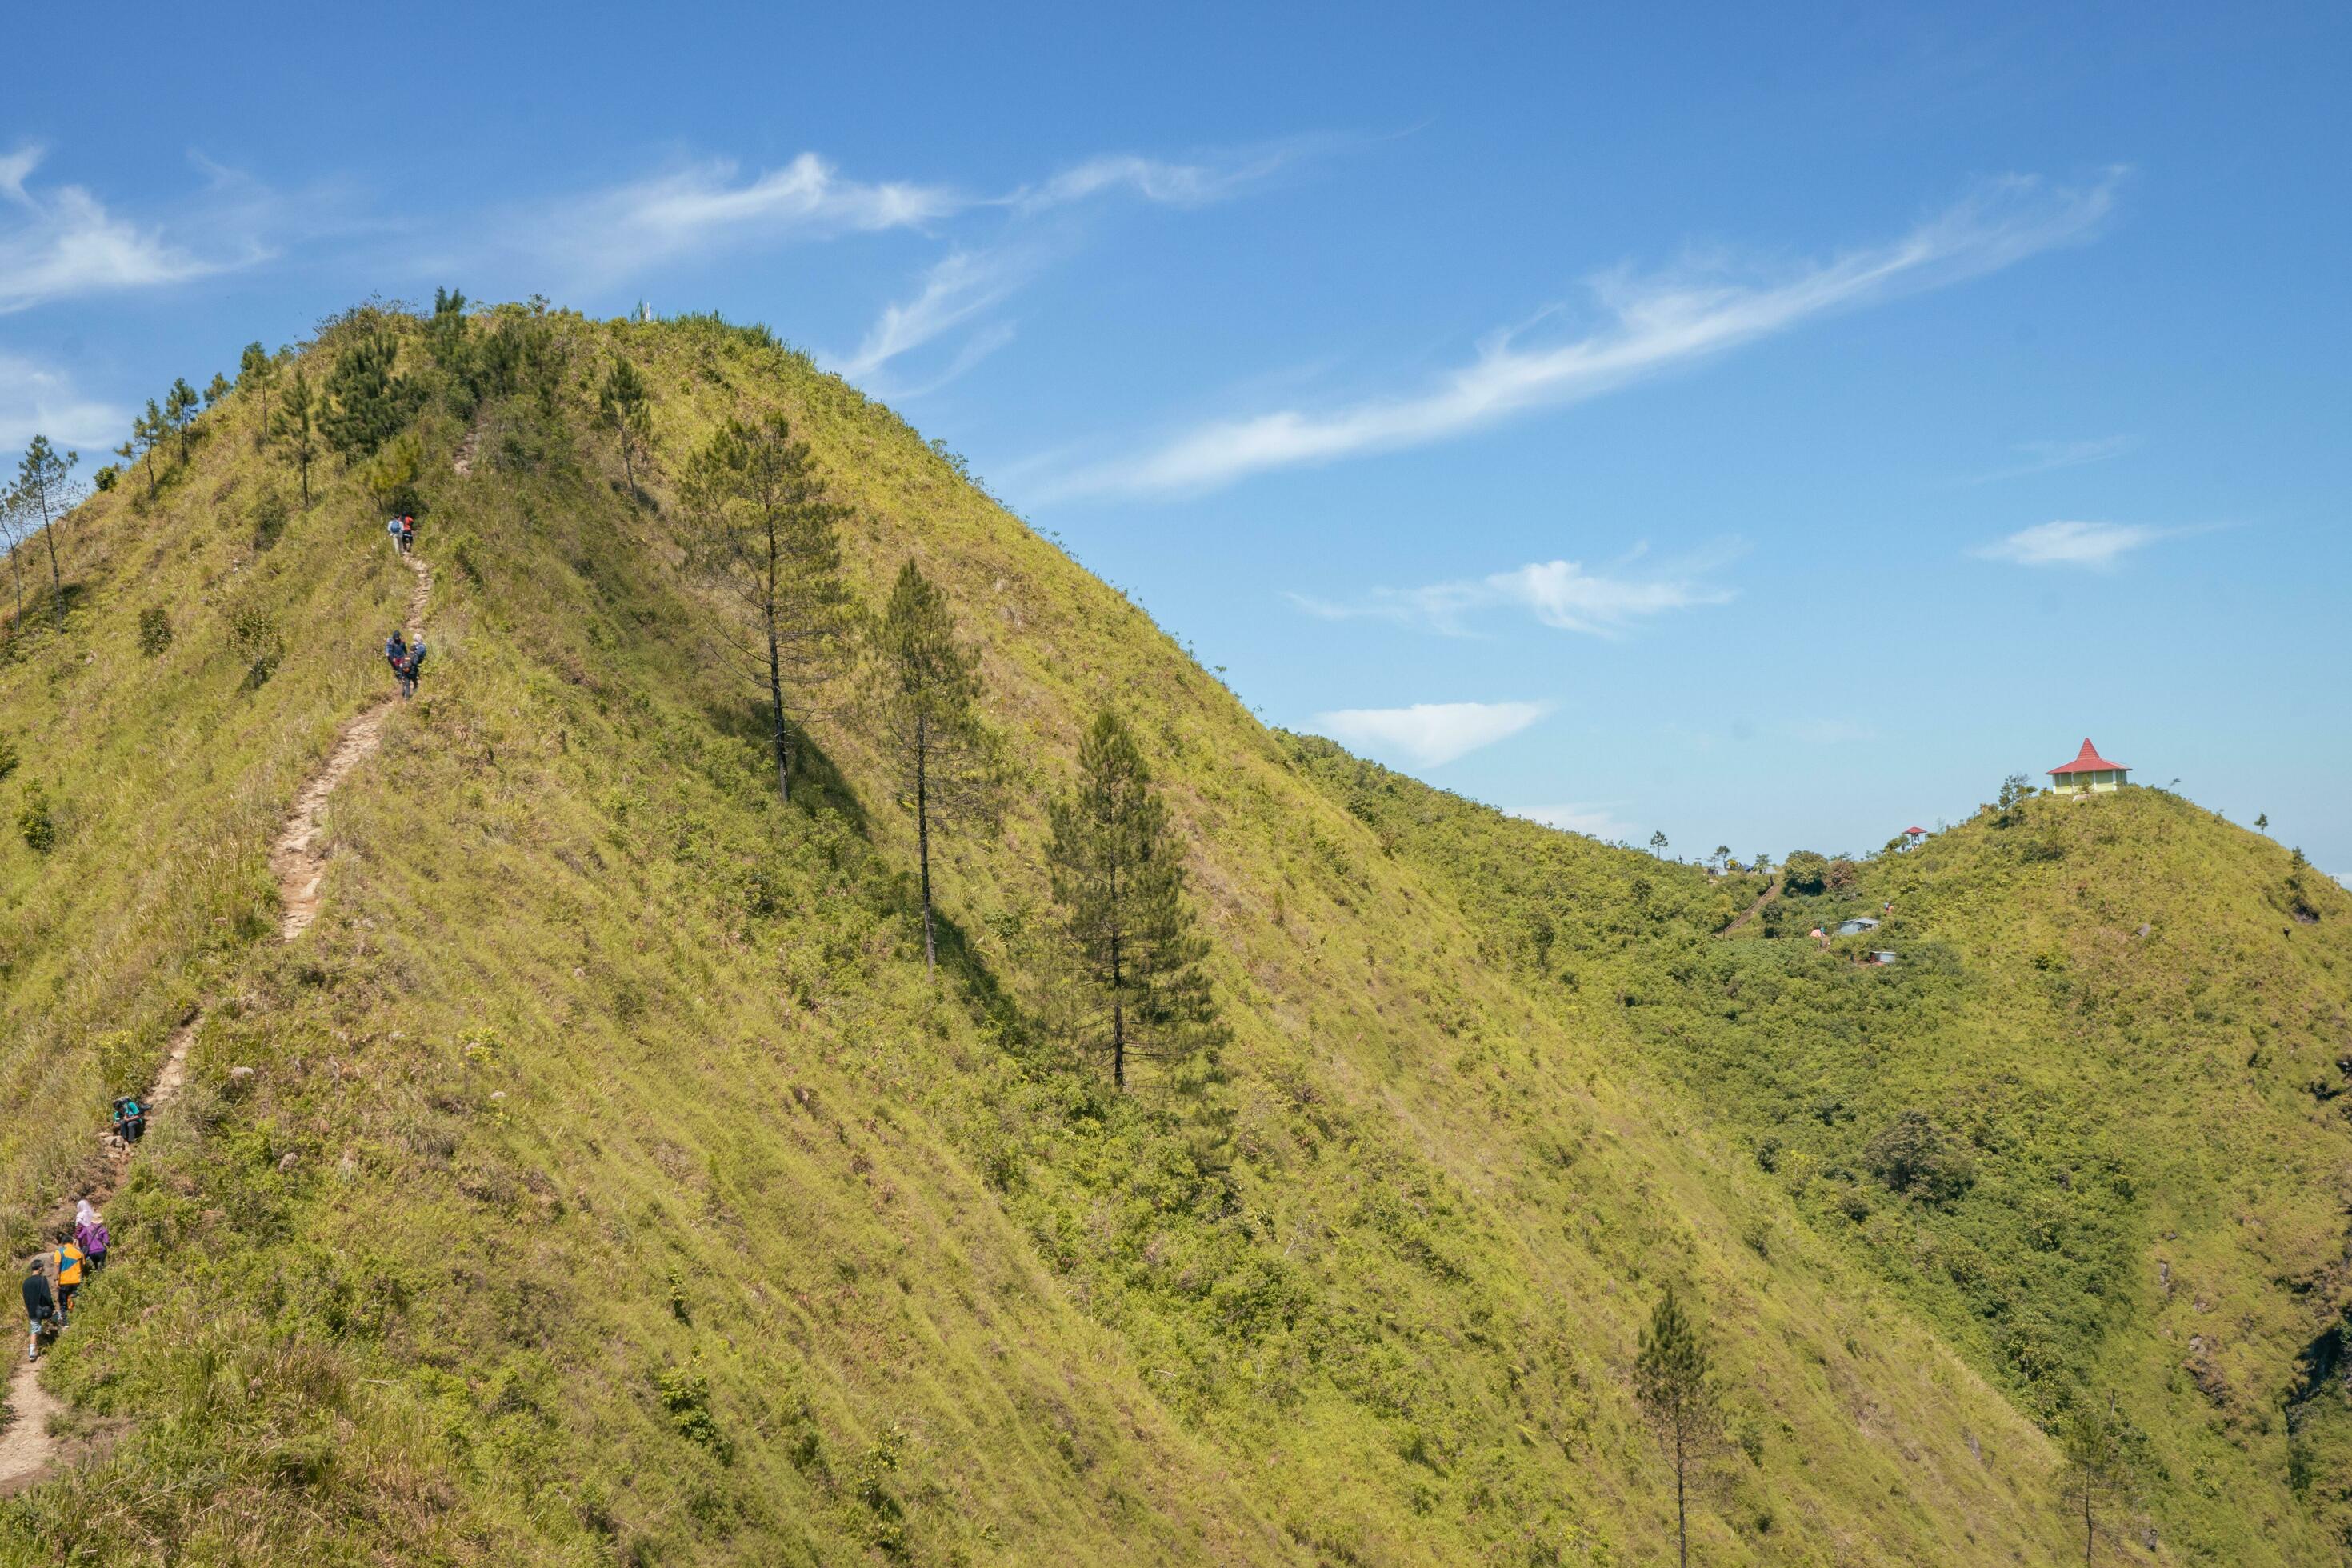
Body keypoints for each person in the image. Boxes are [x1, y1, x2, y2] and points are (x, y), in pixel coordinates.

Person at [42, 1240, 86, 1324]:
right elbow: (83, 1264)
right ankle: (77, 1320)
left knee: (63, 1301)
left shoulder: (60, 1251)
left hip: (64, 1281)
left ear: (63, 1243)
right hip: (77, 1280)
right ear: (72, 1242)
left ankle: (66, 1322)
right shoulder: (79, 1251)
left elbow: (57, 1265)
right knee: (75, 1299)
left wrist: (55, 1279)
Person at [22, 1263, 56, 1362]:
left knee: (34, 1329)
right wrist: (52, 1307)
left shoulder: (26, 1282)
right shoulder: (42, 1279)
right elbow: (47, 1295)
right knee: (56, 1317)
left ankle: (32, 1353)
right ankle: (57, 1337)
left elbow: (25, 1297)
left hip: (32, 1309)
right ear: (40, 1268)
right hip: (44, 1310)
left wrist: (29, 1308)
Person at [74, 1201, 108, 1274]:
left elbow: (79, 1227)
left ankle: (82, 1272)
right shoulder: (90, 1214)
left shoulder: (80, 1215)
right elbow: (106, 1240)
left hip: (85, 1239)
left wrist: (76, 1238)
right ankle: (99, 1270)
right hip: (93, 1240)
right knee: (99, 1258)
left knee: (82, 1256)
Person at [404, 634, 428, 698]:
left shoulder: (408, 655)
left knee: (407, 684)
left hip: (408, 671)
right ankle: (415, 694)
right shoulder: (422, 646)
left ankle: (406, 697)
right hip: (414, 671)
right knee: (415, 683)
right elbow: (416, 662)